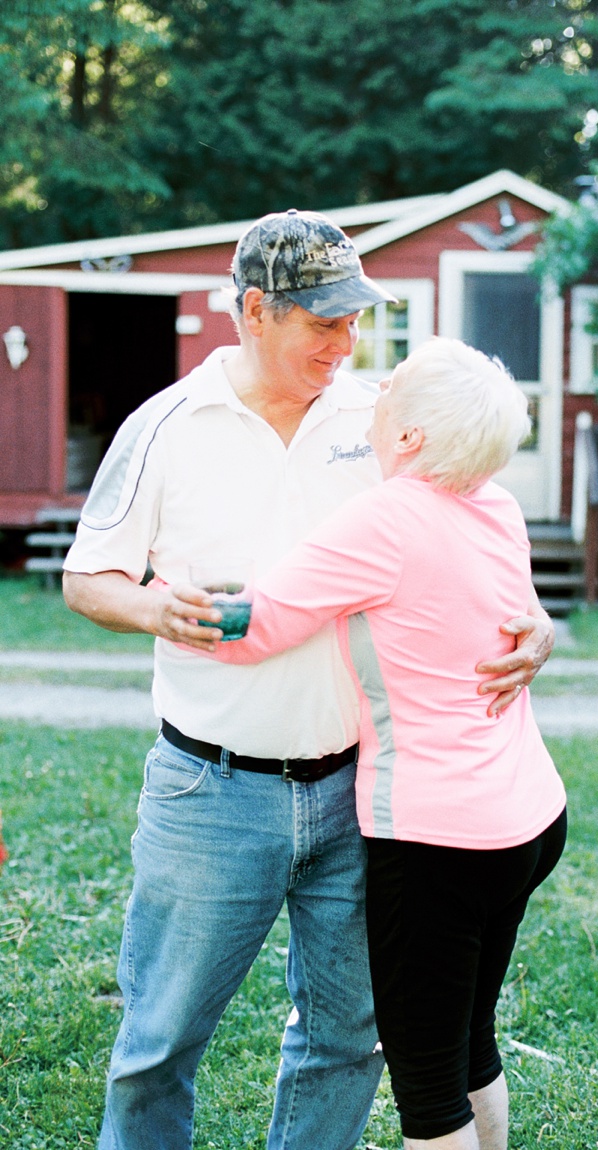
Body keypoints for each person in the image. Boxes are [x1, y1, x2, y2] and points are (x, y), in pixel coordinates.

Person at [62, 210, 556, 1150]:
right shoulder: (164, 426)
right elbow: (87, 577)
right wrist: (152, 608)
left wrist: (534, 629)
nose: (347, 341)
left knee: (346, 1040)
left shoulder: (384, 424)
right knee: (158, 1043)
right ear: (254, 310)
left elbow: (477, 539)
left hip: (357, 792)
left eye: (354, 319)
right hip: (212, 789)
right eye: (323, 321)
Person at [174, 336, 567, 1150]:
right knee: (468, 1042)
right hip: (527, 817)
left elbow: (260, 624)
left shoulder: (385, 518)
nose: (376, 386)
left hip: (438, 840)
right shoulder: (495, 503)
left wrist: (171, 608)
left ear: (412, 435)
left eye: (395, 384)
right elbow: (521, 618)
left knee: (425, 1084)